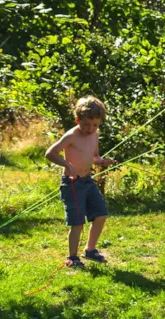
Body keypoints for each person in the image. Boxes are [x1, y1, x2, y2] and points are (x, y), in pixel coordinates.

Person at [45, 96, 115, 268]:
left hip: (87, 181)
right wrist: (67, 164)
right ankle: (72, 257)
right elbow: (50, 153)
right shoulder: (71, 136)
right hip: (72, 184)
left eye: (95, 125)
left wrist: (103, 161)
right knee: (77, 222)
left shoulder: (94, 135)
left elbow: (95, 158)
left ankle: (90, 250)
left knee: (101, 215)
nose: (90, 129)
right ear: (77, 120)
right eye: (85, 124)